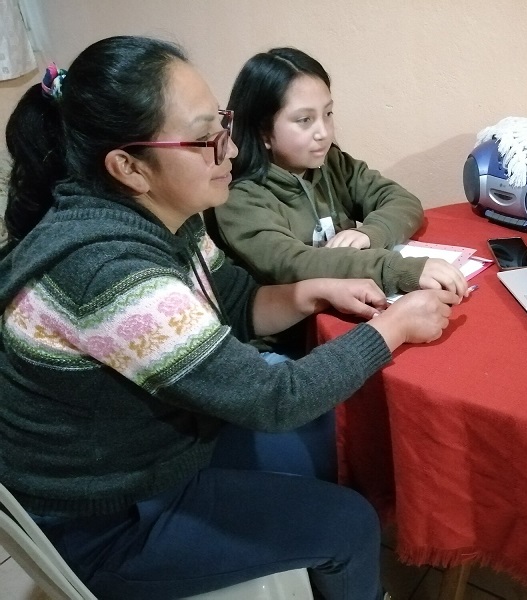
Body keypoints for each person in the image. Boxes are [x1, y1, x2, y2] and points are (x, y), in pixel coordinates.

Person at [0, 36, 465, 600]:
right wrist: (393, 327)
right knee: (348, 523)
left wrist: (312, 291)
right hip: (109, 519)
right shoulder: (110, 275)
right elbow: (275, 398)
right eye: (204, 139)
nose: (232, 150)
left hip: (154, 452)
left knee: (324, 438)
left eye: (222, 123)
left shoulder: (174, 217)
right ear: (128, 167)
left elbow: (240, 302)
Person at [206, 47, 467, 297]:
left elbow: (403, 201)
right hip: (291, 338)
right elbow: (294, 264)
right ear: (263, 132)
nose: (324, 132)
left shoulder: (333, 164)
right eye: (304, 120)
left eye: (328, 113)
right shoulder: (239, 197)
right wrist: (395, 270)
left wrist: (370, 233)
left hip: (352, 309)